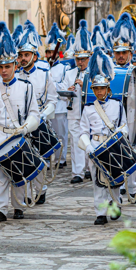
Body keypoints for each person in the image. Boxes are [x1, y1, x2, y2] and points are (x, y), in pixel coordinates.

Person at [0, 22, 40, 223]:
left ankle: (18, 206)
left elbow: (35, 114)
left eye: (8, 67)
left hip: (18, 133)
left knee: (19, 170)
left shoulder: (26, 87)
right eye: (1, 67)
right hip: (0, 134)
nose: (4, 71)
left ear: (16, 66)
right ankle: (0, 209)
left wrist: (26, 127)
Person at [78, 46, 126, 225]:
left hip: (112, 145)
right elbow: (83, 131)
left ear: (108, 88)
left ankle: (116, 203)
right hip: (96, 146)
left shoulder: (117, 105)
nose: (99, 92)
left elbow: (124, 127)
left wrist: (118, 139)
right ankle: (100, 212)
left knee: (114, 179)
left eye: (102, 88)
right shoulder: (88, 109)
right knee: (98, 180)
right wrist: (88, 146)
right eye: (96, 89)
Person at [110, 13, 136, 199]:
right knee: (116, 153)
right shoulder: (108, 72)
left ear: (130, 53)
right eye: (117, 53)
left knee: (134, 152)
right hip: (113, 120)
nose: (120, 56)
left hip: (133, 119)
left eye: (124, 53)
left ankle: (132, 186)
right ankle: (118, 186)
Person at [16, 19, 57, 204]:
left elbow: (52, 101)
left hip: (39, 124)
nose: (23, 58)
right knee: (22, 159)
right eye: (21, 55)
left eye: (27, 54)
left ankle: (40, 189)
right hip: (20, 125)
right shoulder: (15, 77)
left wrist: (43, 115)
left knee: (41, 160)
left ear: (34, 56)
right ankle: (23, 192)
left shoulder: (44, 75)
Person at [60, 20, 93, 184]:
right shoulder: (69, 73)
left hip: (89, 112)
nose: (80, 62)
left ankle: (89, 168)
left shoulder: (94, 73)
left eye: (83, 59)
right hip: (73, 112)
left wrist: (85, 83)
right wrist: (69, 91)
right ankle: (77, 172)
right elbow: (64, 94)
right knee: (75, 142)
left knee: (90, 139)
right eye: (78, 59)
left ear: (89, 58)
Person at [45, 23, 70, 167]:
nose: (50, 55)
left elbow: (63, 87)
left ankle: (61, 159)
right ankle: (47, 160)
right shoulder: (43, 67)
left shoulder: (64, 67)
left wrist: (51, 83)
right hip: (47, 106)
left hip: (60, 107)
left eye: (51, 53)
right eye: (48, 53)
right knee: (47, 135)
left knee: (61, 135)